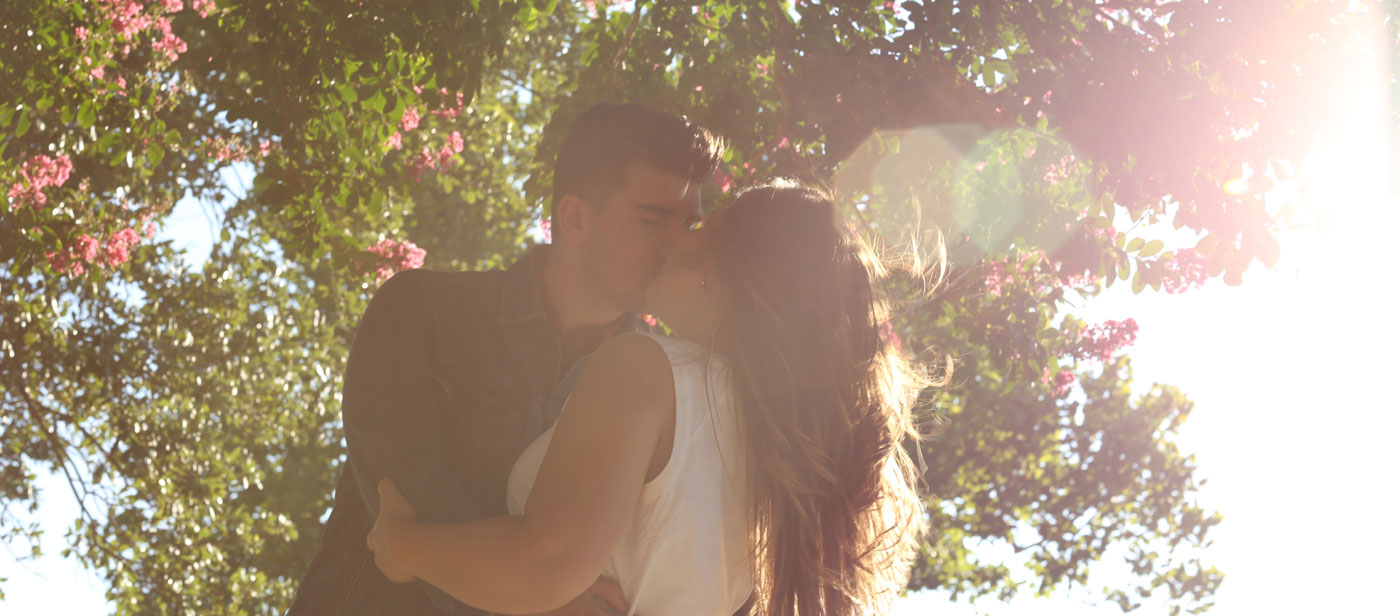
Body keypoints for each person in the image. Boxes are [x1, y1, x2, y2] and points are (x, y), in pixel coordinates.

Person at [366, 182, 935, 615]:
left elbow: (545, 564)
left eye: (702, 226)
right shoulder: (782, 463)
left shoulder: (647, 368)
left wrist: (406, 548)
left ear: (732, 265)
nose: (675, 240)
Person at [288, 102, 725, 615]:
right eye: (654, 220)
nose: (677, 246)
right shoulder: (423, 311)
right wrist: (546, 600)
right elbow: (411, 508)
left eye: (690, 225)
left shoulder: (671, 391)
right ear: (575, 218)